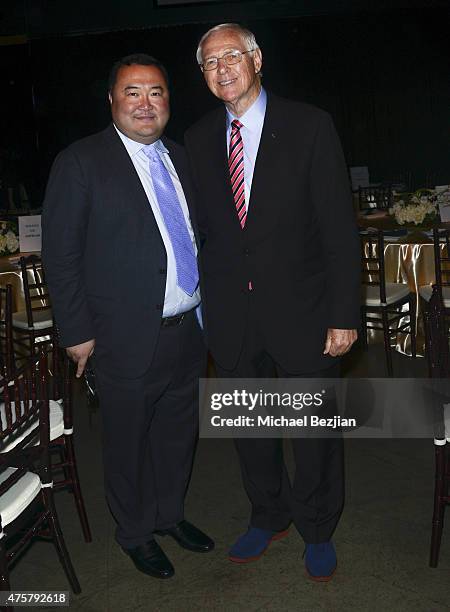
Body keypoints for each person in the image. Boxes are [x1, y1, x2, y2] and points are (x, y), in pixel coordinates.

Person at [184, 24, 360, 581]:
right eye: (210, 63)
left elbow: (337, 228)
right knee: (251, 430)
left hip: (306, 313)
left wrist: (344, 314)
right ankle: (269, 515)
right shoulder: (197, 139)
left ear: (256, 59)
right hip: (234, 319)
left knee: (314, 433)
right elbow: (205, 234)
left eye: (231, 56)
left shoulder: (309, 126)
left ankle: (317, 527)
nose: (222, 69)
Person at [42, 53, 214, 580]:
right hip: (121, 339)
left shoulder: (183, 158)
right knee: (127, 443)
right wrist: (75, 333)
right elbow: (61, 256)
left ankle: (169, 516)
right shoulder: (80, 162)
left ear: (169, 101)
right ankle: (135, 533)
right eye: (132, 92)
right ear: (112, 101)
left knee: (176, 436)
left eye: (156, 92)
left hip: (186, 332)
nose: (145, 104)